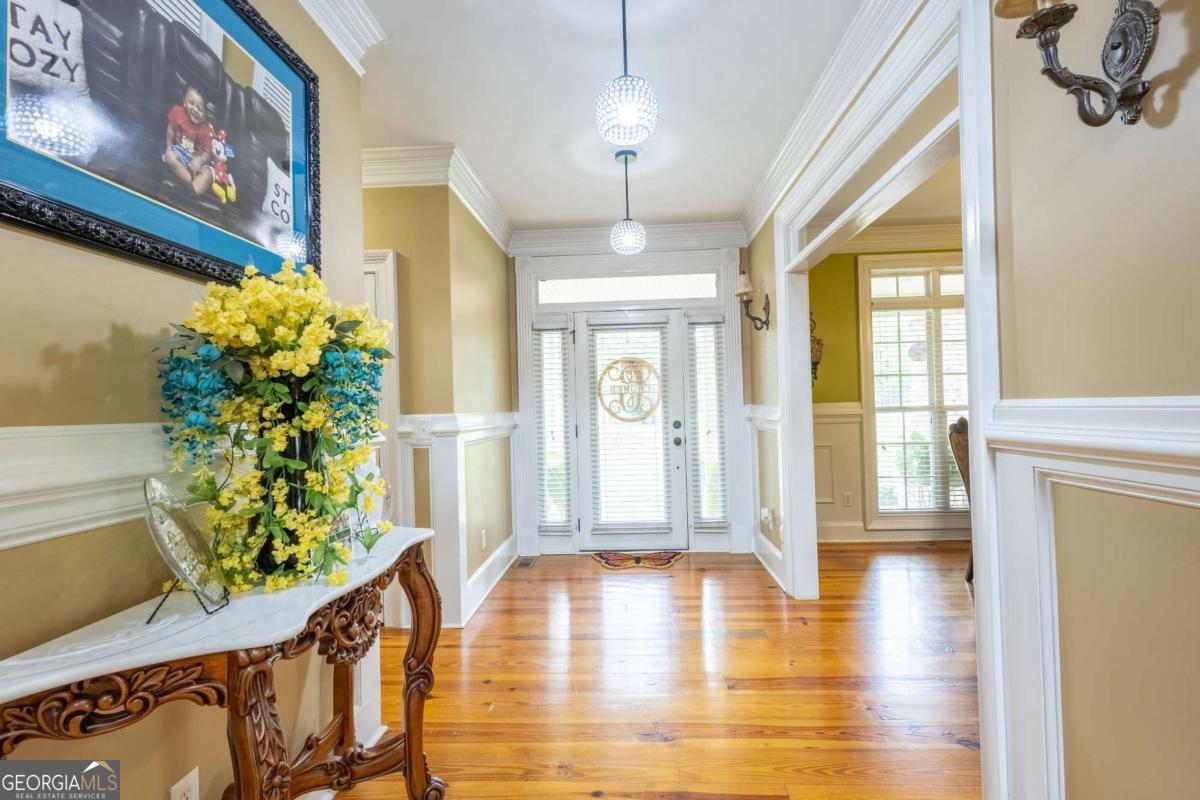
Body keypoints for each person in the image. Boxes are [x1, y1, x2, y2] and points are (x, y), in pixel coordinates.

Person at [163, 86, 216, 195]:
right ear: (184, 102)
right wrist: (168, 148)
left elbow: (208, 152)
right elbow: (171, 130)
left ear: (206, 115)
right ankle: (188, 181)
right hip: (180, 152)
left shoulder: (207, 129)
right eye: (191, 103)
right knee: (169, 155)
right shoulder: (178, 112)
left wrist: (200, 160)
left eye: (200, 109)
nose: (195, 110)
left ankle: (192, 191)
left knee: (209, 174)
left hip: (198, 160)